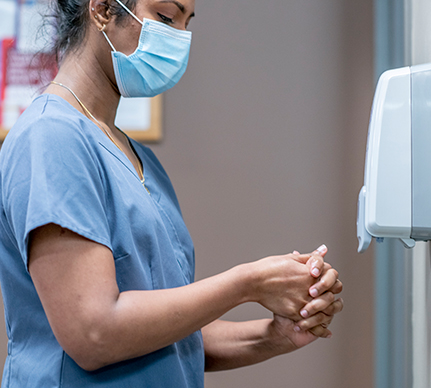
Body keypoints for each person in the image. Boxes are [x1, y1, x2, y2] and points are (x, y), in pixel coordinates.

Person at [0, 0, 343, 386]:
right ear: (101, 10)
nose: (178, 38)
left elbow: (172, 335)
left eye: (186, 22)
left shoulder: (137, 158)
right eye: (165, 17)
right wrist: (249, 283)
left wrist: (276, 335)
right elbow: (94, 333)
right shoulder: (51, 137)